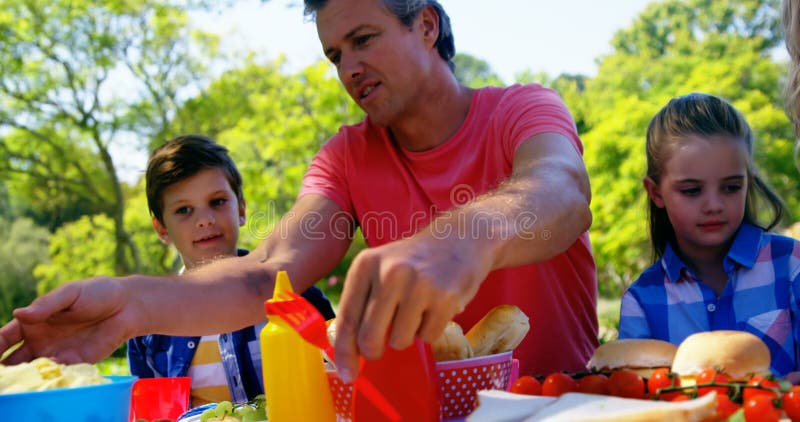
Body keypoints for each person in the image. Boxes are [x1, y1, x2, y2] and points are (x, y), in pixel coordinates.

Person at [0, 0, 596, 380]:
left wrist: (465, 236)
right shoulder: (347, 157)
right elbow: (268, 274)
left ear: (425, 24)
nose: (348, 68)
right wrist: (132, 303)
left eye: (363, 39)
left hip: (565, 401)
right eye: (335, 54)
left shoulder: (524, 107)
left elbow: (561, 192)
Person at [127, 134, 335, 406]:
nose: (205, 220)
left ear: (242, 209)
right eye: (184, 210)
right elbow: (151, 413)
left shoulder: (293, 293)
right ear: (162, 229)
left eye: (217, 202)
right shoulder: (149, 326)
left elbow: (337, 380)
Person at [617, 93, 800, 377]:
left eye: (731, 187)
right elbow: (633, 396)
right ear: (655, 192)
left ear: (748, 184)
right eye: (691, 191)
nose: (714, 206)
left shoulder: (792, 265)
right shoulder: (641, 300)